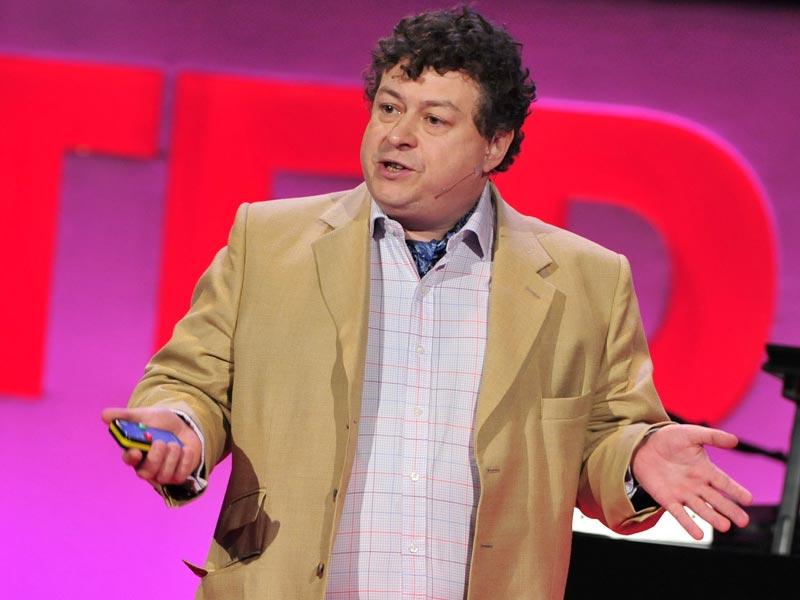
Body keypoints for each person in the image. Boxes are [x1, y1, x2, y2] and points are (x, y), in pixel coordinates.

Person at [102, 7, 752, 599]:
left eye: (434, 120)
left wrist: (635, 458)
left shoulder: (588, 280)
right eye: (389, 108)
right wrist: (181, 428)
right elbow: (193, 383)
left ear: (494, 144)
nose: (398, 135)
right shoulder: (268, 242)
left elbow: (602, 443)